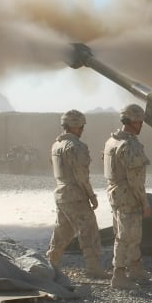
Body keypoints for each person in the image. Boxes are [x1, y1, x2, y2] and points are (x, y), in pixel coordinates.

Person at [46, 110, 109, 279]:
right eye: (81, 127)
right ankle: (93, 267)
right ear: (75, 126)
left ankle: (51, 263)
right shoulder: (76, 147)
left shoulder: (56, 145)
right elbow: (81, 175)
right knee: (89, 231)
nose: (82, 130)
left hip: (61, 194)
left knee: (63, 231)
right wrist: (91, 195)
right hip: (76, 196)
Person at [103, 103, 151, 289]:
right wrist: (145, 202)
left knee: (130, 233)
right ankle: (119, 275)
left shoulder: (111, 141)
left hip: (115, 194)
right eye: (138, 122)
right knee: (126, 236)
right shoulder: (129, 145)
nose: (141, 125)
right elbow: (135, 179)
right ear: (130, 122)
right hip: (128, 196)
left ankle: (136, 268)